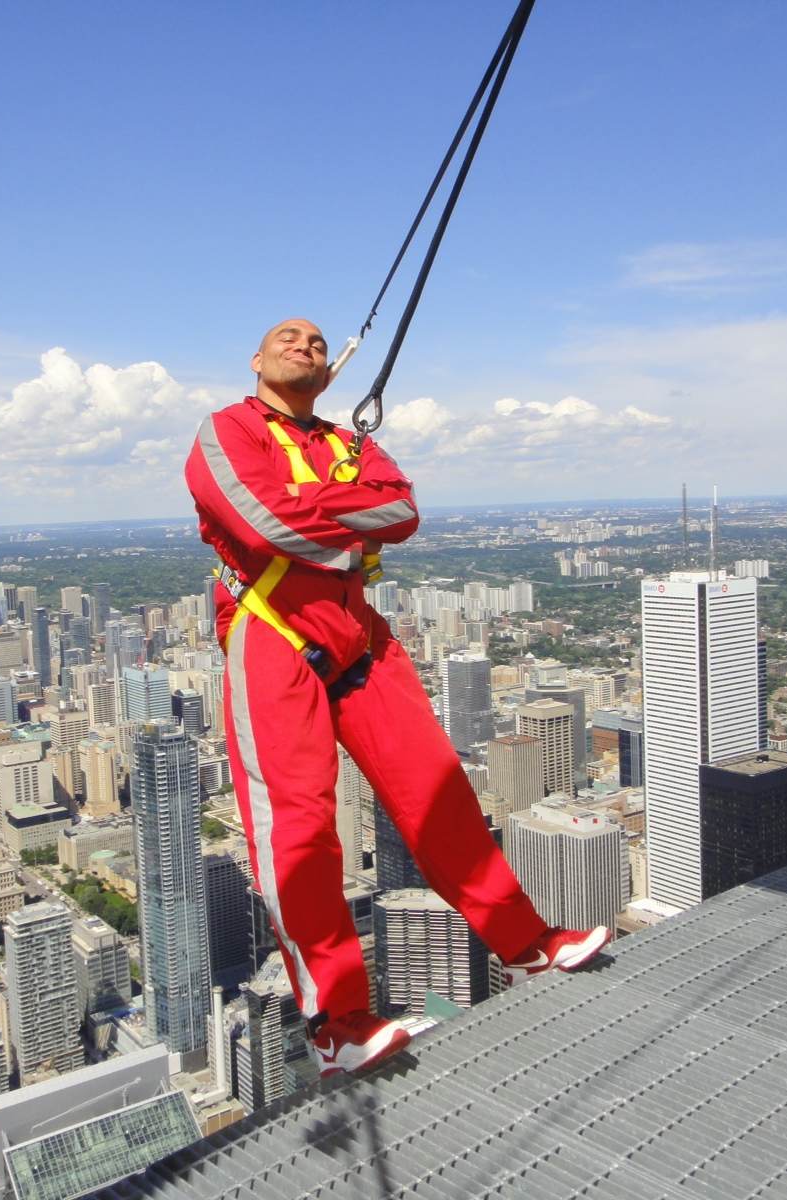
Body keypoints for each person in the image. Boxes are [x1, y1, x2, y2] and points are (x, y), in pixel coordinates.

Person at [185, 317, 609, 1078]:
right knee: (300, 830)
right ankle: (337, 1022)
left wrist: (318, 512)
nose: (305, 344)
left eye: (317, 341)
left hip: (359, 636)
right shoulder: (225, 431)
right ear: (253, 359)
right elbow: (258, 519)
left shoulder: (348, 443)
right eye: (287, 336)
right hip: (272, 635)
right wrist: (346, 527)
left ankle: (526, 947)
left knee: (439, 792)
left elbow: (401, 511)